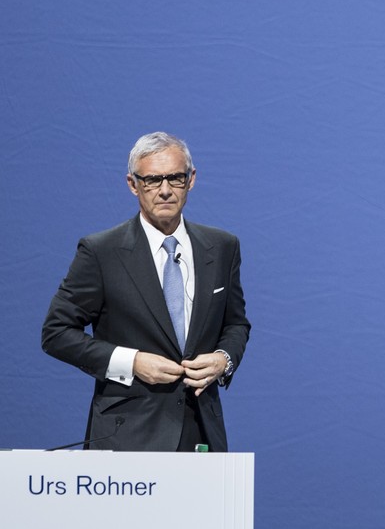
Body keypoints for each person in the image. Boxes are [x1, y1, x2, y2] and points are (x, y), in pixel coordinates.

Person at [42, 132, 250, 451]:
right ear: (132, 184)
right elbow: (56, 333)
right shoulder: (102, 252)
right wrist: (133, 362)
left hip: (202, 436)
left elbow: (235, 323)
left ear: (191, 180)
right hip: (127, 438)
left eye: (175, 178)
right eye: (152, 180)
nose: (165, 190)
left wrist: (223, 360)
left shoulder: (222, 247)